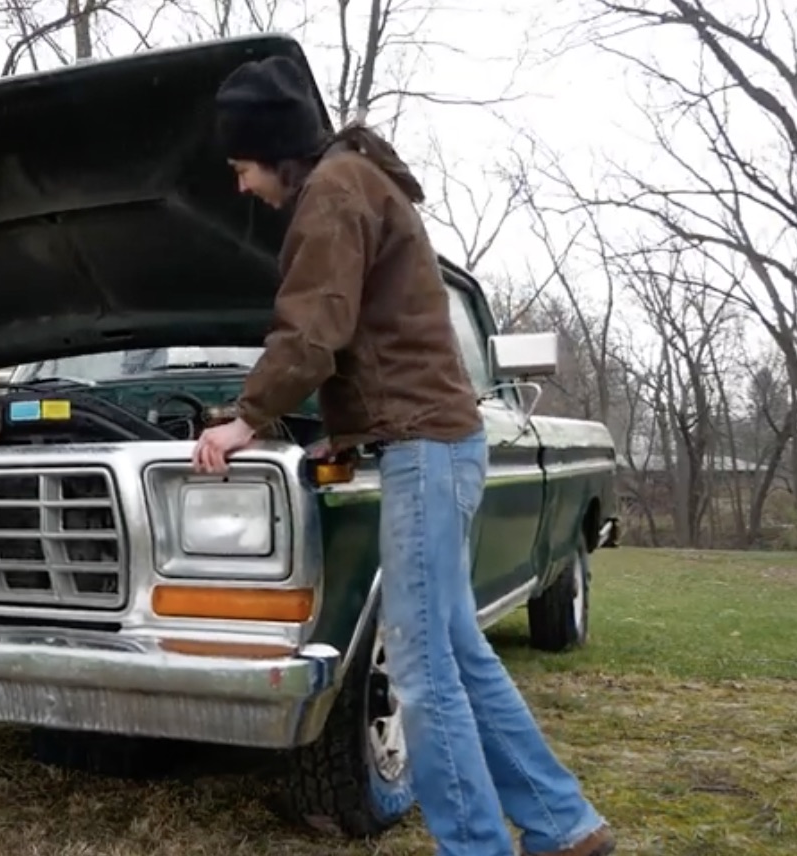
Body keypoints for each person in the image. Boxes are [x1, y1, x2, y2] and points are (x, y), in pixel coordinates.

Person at [190, 56, 616, 856]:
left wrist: (246, 419)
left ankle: (478, 846)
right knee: (457, 651)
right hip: (435, 442)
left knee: (421, 673)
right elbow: (375, 341)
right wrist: (343, 434)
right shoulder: (357, 181)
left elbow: (315, 328)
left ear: (275, 151)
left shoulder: (333, 193)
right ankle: (563, 822)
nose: (242, 186)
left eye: (242, 167)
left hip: (423, 450)